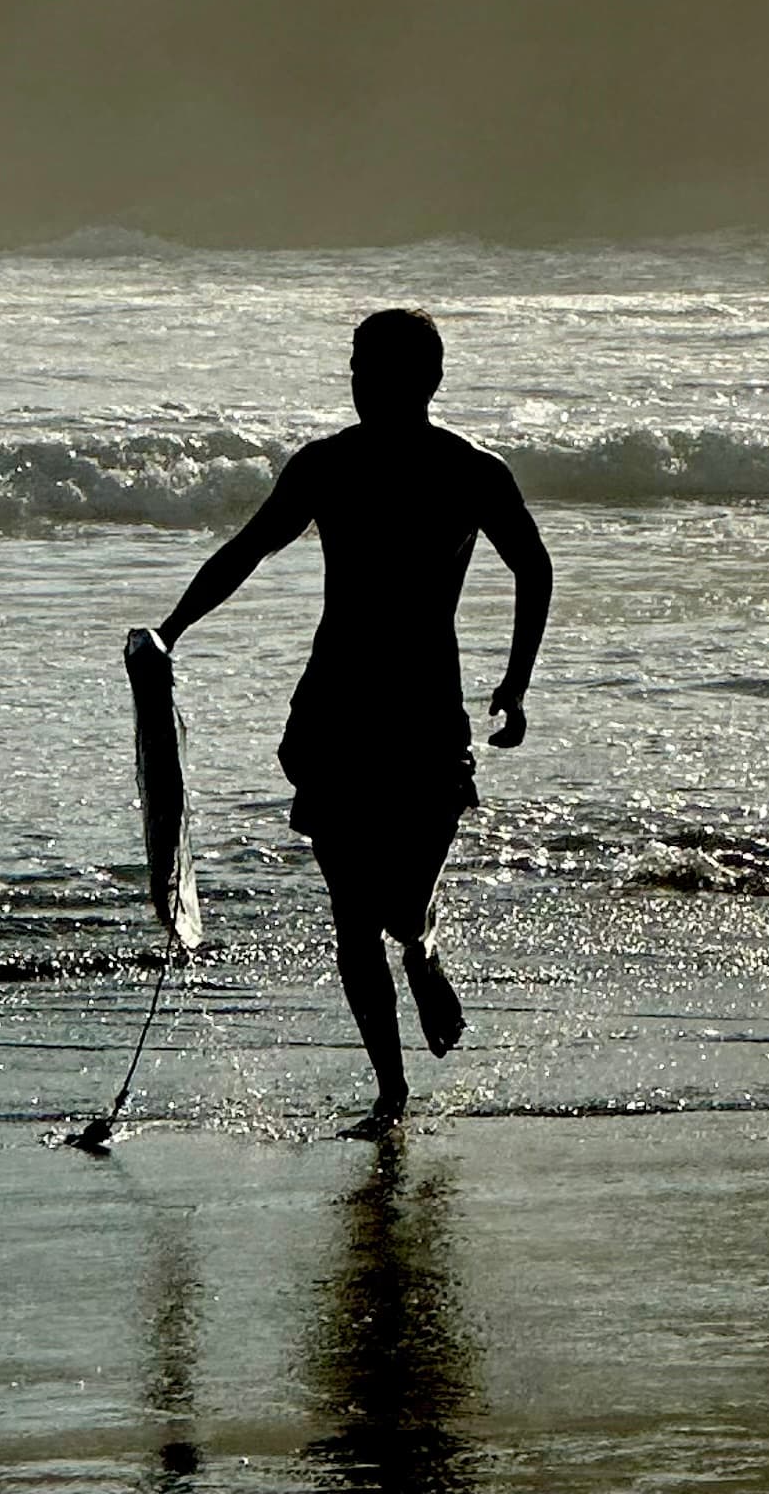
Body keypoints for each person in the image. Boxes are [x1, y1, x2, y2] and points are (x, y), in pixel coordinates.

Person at [154, 304, 553, 1125]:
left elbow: (534, 567)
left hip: (425, 717)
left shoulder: (470, 470)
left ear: (430, 381)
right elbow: (247, 549)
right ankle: (391, 1090)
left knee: (401, 903)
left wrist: (516, 684)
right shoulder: (325, 466)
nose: (365, 383)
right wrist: (171, 628)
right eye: (358, 367)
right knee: (349, 909)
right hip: (334, 710)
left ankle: (425, 946)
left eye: (383, 370)